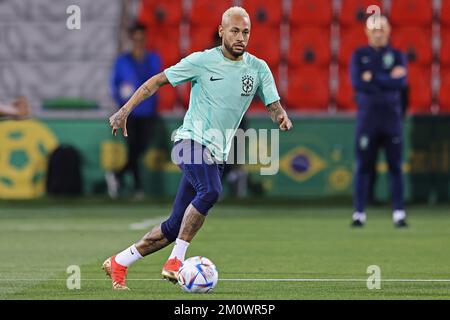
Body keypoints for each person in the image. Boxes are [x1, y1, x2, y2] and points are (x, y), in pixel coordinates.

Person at [103, 6, 293, 290]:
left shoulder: (258, 68)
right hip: (188, 144)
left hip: (215, 154)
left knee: (172, 227)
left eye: (245, 32)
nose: (241, 37)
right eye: (234, 31)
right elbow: (157, 82)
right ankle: (176, 261)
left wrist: (280, 116)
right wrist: (124, 110)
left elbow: (273, 105)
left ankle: (119, 262)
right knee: (212, 190)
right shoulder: (202, 62)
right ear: (221, 31)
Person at [350, 16, 408, 228]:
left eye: (381, 29)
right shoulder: (359, 55)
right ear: (367, 32)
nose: (378, 33)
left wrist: (373, 78)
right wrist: (387, 79)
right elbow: (358, 83)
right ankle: (359, 213)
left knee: (395, 167)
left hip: (391, 121)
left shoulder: (398, 56)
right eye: (374, 29)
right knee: (363, 167)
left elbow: (401, 83)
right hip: (367, 121)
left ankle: (399, 213)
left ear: (388, 31)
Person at [106, 22, 162, 199]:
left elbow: (156, 82)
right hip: (129, 113)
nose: (138, 41)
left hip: (147, 111)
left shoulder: (153, 58)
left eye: (141, 38)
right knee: (133, 149)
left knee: (139, 148)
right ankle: (137, 187)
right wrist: (122, 104)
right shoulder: (122, 61)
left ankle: (117, 175)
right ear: (132, 39)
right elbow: (114, 85)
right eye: (135, 38)